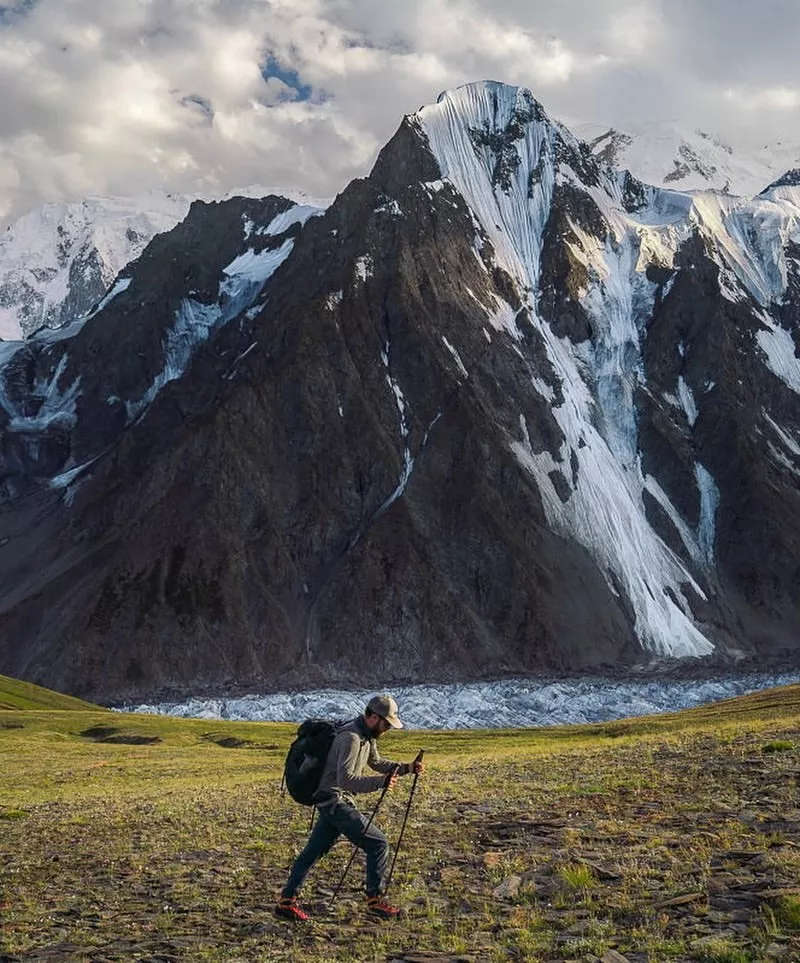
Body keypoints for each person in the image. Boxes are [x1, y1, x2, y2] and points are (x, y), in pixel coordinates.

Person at [276, 693, 424, 922]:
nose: (387, 729)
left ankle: (286, 902)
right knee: (378, 844)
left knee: (313, 852)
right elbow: (346, 780)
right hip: (336, 802)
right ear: (374, 717)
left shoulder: (366, 736)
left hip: (330, 802)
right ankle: (375, 901)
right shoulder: (351, 738)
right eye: (386, 724)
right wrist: (380, 783)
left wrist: (407, 768)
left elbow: (375, 762)